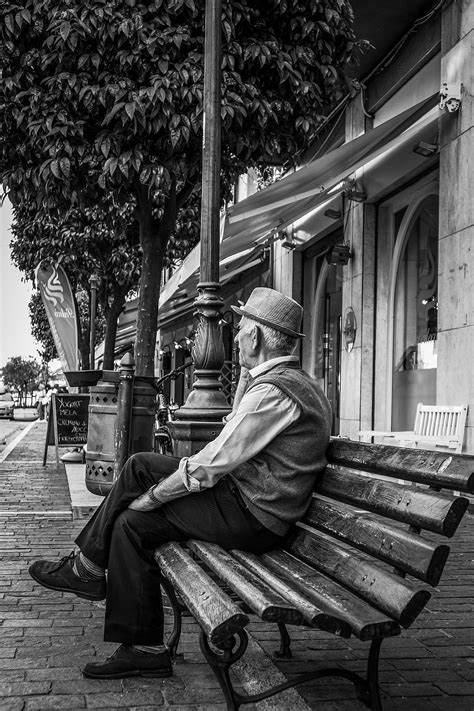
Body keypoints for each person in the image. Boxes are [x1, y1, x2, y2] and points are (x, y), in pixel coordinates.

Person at [29, 287, 332, 680]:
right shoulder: (285, 383)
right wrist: (244, 371)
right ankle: (144, 648)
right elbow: (233, 429)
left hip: (254, 515)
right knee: (130, 523)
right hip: (252, 505)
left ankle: (87, 569)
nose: (235, 337)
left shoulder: (275, 392)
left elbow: (212, 463)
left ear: (255, 337)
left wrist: (155, 496)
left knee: (139, 471)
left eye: (240, 330)